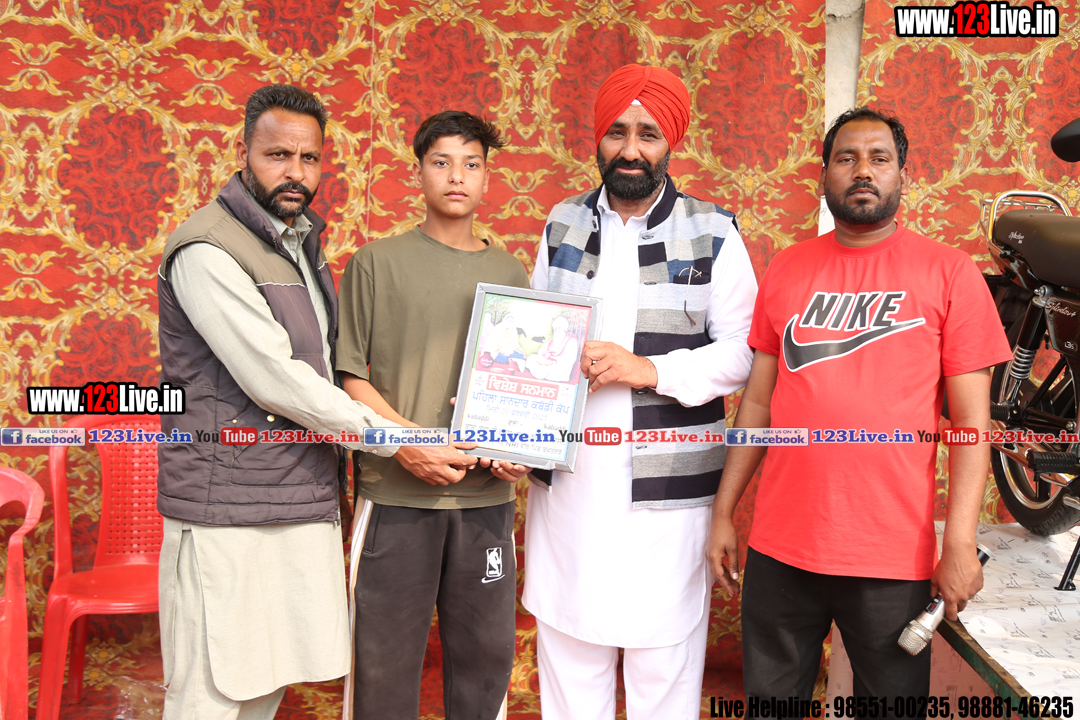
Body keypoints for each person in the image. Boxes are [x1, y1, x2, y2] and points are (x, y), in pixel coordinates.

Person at [707, 107, 1014, 703]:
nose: (863, 171)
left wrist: (958, 543)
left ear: (903, 176)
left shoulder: (951, 273)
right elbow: (758, 404)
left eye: (880, 158)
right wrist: (724, 511)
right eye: (847, 158)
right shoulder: (788, 268)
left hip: (890, 558)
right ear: (825, 175)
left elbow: (972, 425)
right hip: (781, 550)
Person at [156, 85, 413, 719]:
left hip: (294, 495)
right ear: (243, 152)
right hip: (226, 509)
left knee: (262, 689)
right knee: (211, 697)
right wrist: (394, 437)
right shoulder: (207, 247)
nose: (295, 172)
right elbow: (275, 377)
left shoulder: (298, 245)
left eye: (309, 158)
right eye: (277, 155)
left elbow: (321, 364)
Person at [524, 64, 758, 719]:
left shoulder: (712, 230)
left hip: (669, 496)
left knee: (663, 670)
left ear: (670, 142)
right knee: (571, 663)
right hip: (570, 491)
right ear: (598, 139)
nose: (631, 149)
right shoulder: (563, 223)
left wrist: (648, 370)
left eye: (648, 134)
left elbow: (745, 352)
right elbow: (534, 337)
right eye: (618, 132)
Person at [335, 110, 530, 720]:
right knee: (383, 667)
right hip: (396, 497)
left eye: (471, 164)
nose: (456, 176)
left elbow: (523, 386)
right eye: (441, 162)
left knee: (484, 668)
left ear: (487, 178)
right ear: (417, 172)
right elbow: (349, 378)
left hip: (485, 501)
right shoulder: (375, 263)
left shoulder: (510, 272)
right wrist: (408, 442)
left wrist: (517, 449)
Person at [525, 316, 579, 382]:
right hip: (547, 362)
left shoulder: (571, 340)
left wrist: (553, 361)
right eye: (555, 328)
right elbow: (541, 351)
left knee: (548, 368)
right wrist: (545, 355)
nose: (557, 330)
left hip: (559, 368)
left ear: (564, 328)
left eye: (559, 328)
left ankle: (541, 372)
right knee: (532, 357)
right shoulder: (552, 341)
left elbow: (570, 360)